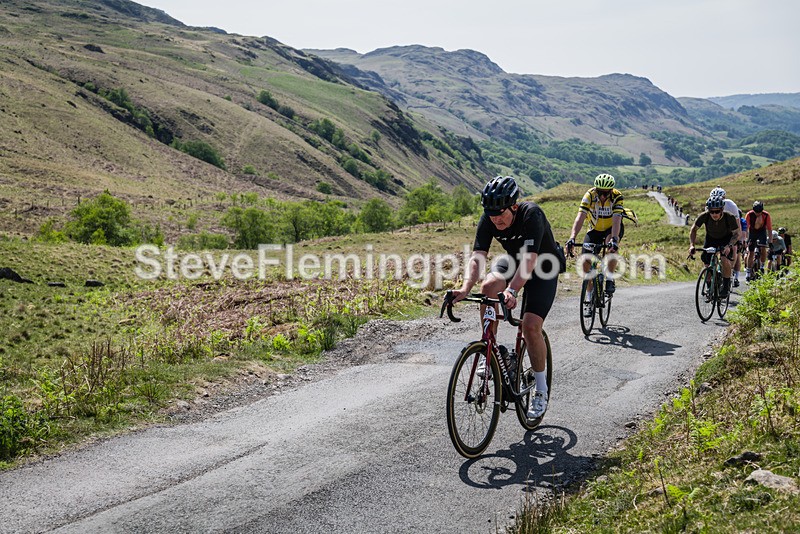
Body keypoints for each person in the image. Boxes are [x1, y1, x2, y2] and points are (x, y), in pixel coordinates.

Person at [451, 176, 560, 420]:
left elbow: (531, 261)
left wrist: (512, 291)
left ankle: (541, 390)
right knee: (488, 286)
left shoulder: (532, 214)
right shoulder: (489, 218)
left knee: (531, 326)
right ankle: (489, 351)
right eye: (491, 215)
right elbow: (478, 256)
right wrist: (466, 288)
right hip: (514, 261)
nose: (496, 220)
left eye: (500, 214)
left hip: (544, 265)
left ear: (513, 206)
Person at [565, 173, 624, 317]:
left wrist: (614, 239)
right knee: (585, 260)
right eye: (600, 192)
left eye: (605, 193)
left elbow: (617, 219)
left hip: (612, 229)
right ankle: (590, 295)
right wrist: (572, 237)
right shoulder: (589, 195)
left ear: (610, 191)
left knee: (610, 247)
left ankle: (609, 277)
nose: (602, 196)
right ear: (596, 189)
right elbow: (580, 217)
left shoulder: (617, 196)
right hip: (594, 229)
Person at [689, 197, 740, 298]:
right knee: (707, 265)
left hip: (726, 239)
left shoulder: (729, 217)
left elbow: (736, 234)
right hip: (711, 239)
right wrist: (692, 245)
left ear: (722, 210)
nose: (714, 214)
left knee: (724, 259)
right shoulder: (704, 216)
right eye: (711, 212)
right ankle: (709, 286)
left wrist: (729, 246)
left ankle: (725, 286)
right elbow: (693, 230)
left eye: (717, 211)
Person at [710, 187, 742, 286]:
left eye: (721, 199)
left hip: (730, 230)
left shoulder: (731, 205)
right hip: (718, 231)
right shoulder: (710, 204)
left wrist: (738, 239)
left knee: (733, 249)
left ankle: (729, 272)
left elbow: (737, 224)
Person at [745, 201, 772, 281]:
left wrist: (770, 242)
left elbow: (769, 229)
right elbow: (746, 229)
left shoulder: (766, 215)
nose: (757, 214)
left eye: (759, 212)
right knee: (751, 252)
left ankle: (762, 266)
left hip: (762, 232)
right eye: (756, 212)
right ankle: (748, 271)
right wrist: (746, 239)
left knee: (763, 248)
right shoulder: (749, 215)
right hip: (752, 232)